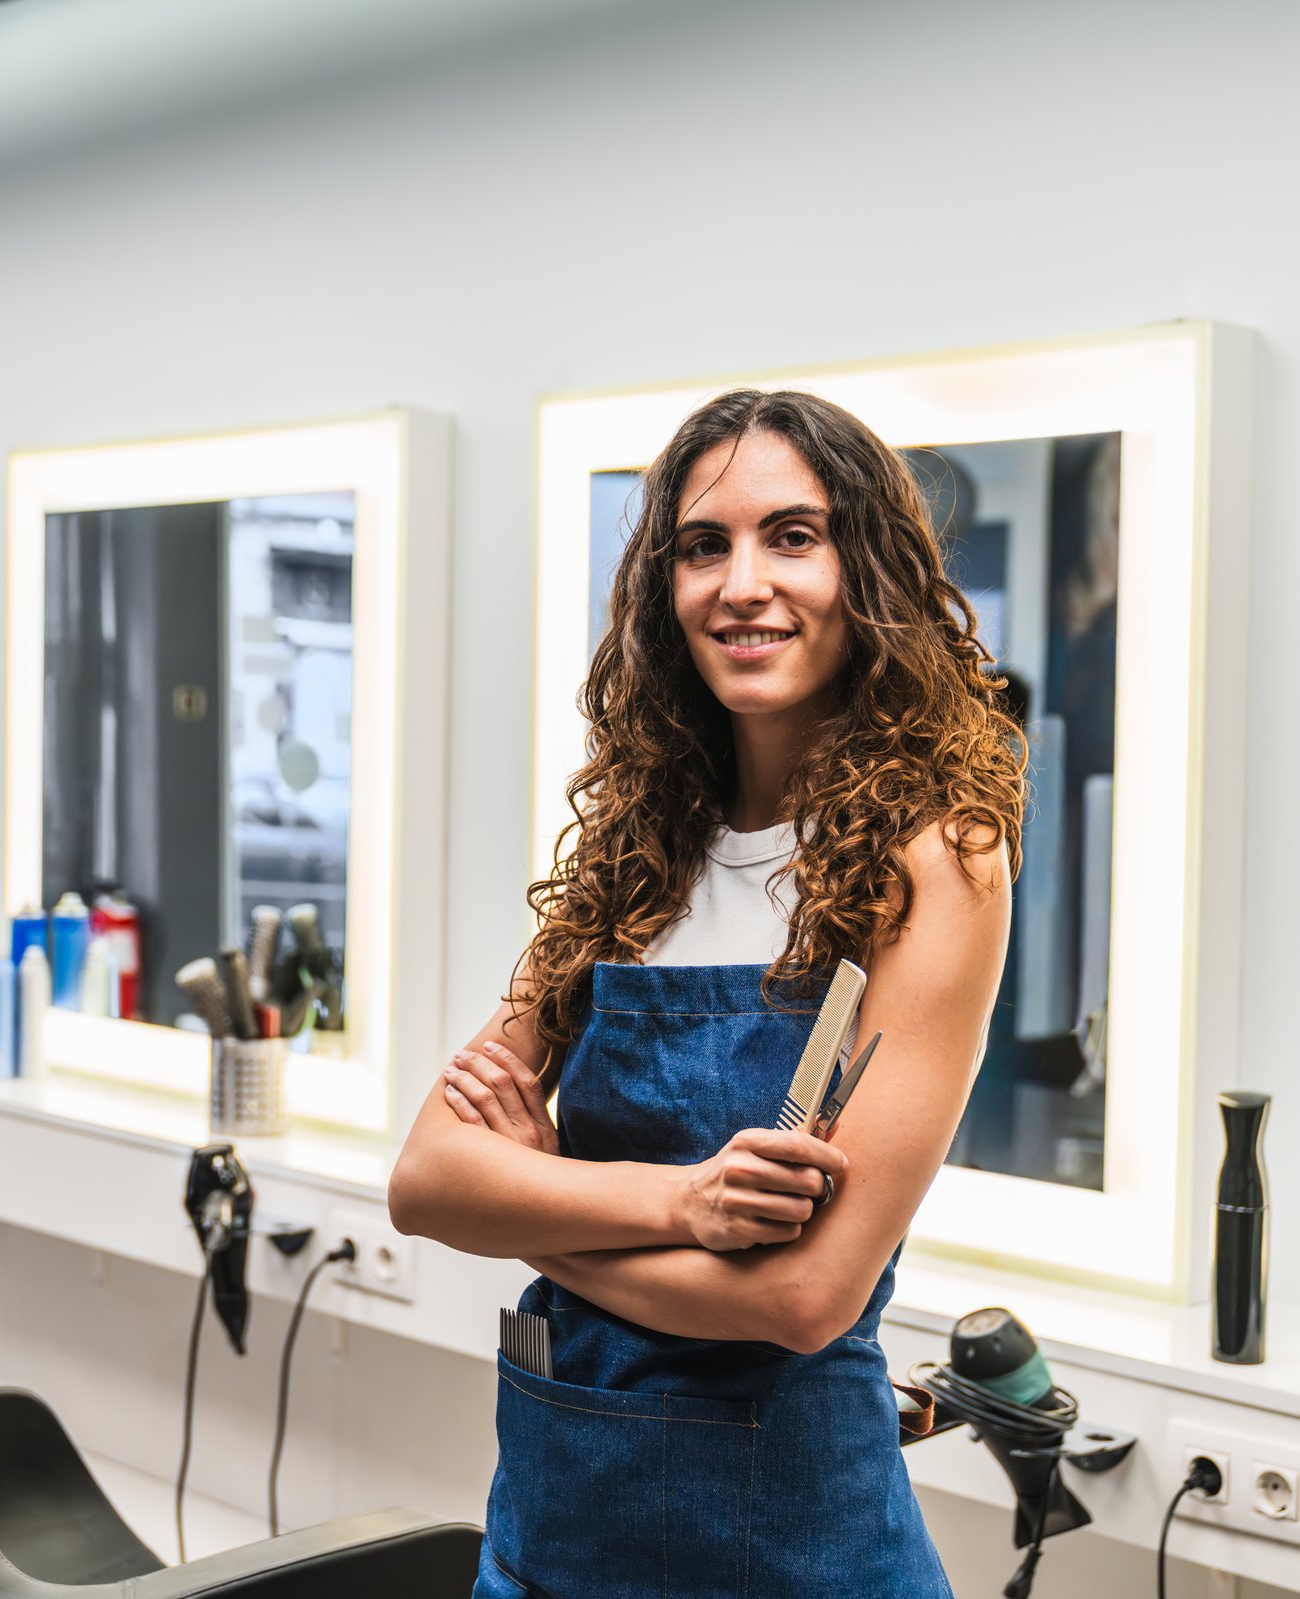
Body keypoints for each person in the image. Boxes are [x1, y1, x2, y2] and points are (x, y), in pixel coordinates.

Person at [389, 388, 1022, 1597]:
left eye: (794, 535)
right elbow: (426, 1182)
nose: (741, 582)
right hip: (555, 1530)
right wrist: (686, 1205)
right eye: (702, 545)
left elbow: (801, 1296)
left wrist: (538, 1204)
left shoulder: (941, 856)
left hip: (793, 1545)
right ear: (663, 591)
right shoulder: (634, 850)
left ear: (868, 569)